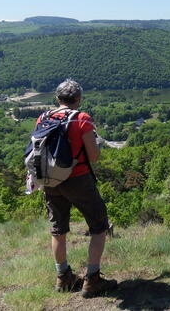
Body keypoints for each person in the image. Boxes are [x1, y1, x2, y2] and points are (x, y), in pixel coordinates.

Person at [41, 79, 117, 297]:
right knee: (99, 225)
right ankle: (92, 280)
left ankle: (63, 276)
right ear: (79, 99)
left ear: (58, 98)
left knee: (58, 229)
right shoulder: (82, 119)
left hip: (49, 180)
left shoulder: (44, 117)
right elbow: (93, 156)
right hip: (78, 179)